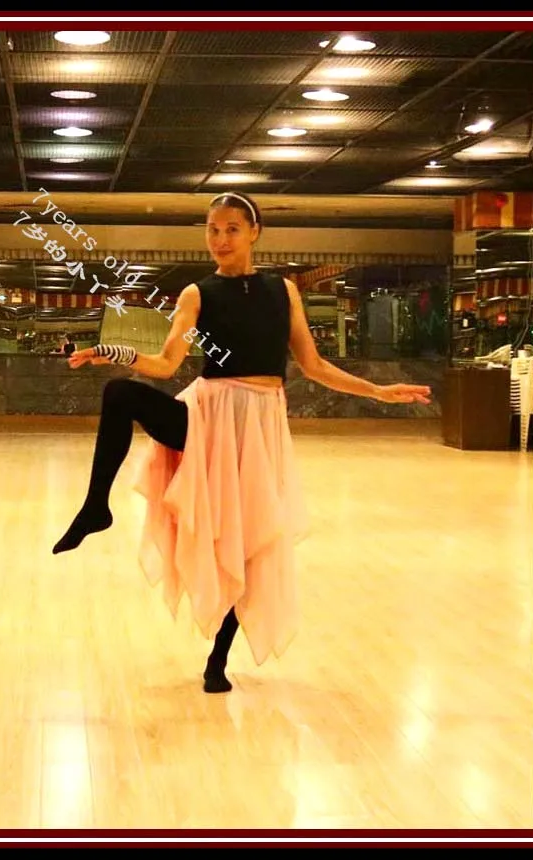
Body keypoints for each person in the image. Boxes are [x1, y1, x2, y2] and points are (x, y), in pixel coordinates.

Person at [52, 191, 431, 694]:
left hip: (258, 426)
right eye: (213, 230)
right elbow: (166, 363)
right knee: (119, 393)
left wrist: (378, 391)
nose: (221, 239)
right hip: (207, 415)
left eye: (232, 229)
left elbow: (314, 366)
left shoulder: (284, 292)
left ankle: (218, 661)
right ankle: (96, 507)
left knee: (247, 541)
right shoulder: (197, 294)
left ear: (254, 232)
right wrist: (113, 351)